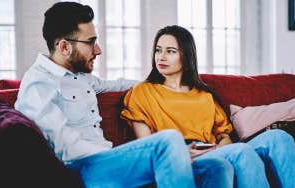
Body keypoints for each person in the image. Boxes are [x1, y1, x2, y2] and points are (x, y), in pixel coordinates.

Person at [15, 2, 232, 187]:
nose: (98, 50)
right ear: (64, 47)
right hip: (80, 169)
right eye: (91, 42)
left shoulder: (79, 77)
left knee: (217, 166)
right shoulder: (38, 85)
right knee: (168, 140)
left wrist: (163, 86)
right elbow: (66, 149)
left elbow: (117, 85)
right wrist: (119, 153)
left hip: (105, 161)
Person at [121, 25, 295, 187]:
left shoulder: (204, 95)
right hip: (181, 156)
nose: (161, 57)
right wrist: (178, 153)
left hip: (214, 150)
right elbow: (146, 146)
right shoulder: (143, 92)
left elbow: (224, 136)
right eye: (158, 50)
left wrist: (219, 148)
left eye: (170, 51)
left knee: (279, 137)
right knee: (242, 151)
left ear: (186, 58)